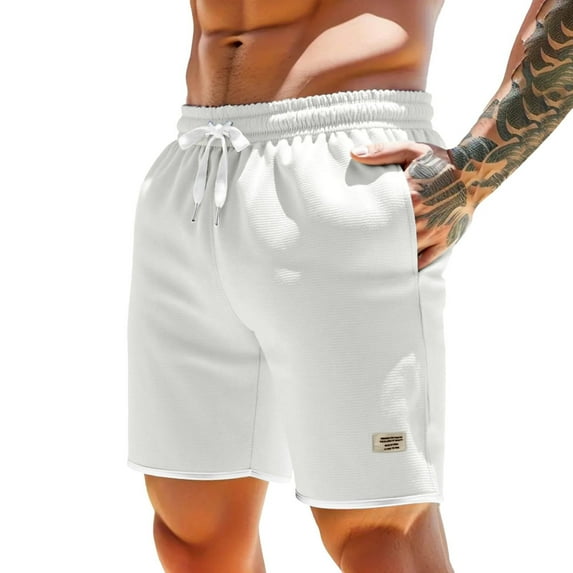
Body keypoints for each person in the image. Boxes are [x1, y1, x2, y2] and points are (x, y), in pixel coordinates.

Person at [126, 0, 573, 571]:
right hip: (194, 165)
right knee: (192, 533)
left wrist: (476, 167)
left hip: (342, 163)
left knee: (381, 532)